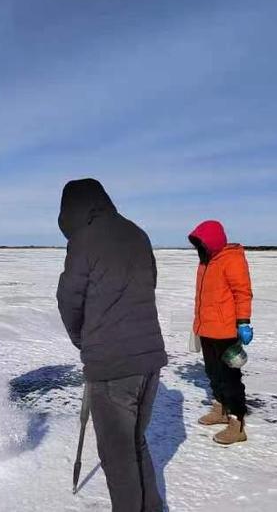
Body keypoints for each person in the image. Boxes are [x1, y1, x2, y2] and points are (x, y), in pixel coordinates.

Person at [57, 178, 167, 512]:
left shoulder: (84, 240)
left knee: (118, 459)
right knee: (135, 444)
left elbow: (68, 300)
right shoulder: (137, 233)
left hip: (112, 363)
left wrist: (82, 340)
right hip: (149, 360)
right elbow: (151, 282)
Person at [188, 219, 253, 445]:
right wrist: (197, 325)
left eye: (201, 243)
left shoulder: (231, 259)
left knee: (230, 377)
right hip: (207, 328)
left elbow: (242, 293)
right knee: (212, 373)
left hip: (226, 331)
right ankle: (221, 409)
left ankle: (237, 423)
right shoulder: (205, 262)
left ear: (212, 242)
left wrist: (243, 322)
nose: (199, 248)